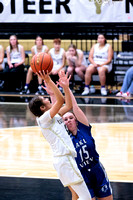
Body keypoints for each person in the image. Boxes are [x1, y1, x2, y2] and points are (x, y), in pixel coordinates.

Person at [28, 70, 91, 200]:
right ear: (42, 108)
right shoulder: (43, 119)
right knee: (86, 197)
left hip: (64, 160)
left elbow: (67, 105)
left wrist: (66, 88)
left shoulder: (53, 116)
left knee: (76, 195)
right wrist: (49, 80)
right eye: (45, 99)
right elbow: (61, 100)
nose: (47, 98)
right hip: (64, 159)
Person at [62, 91, 113, 200]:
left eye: (71, 118)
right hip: (82, 175)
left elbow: (75, 107)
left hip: (97, 170)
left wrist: (67, 88)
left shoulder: (84, 129)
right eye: (65, 120)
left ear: (76, 120)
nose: (68, 120)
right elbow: (55, 117)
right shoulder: (65, 139)